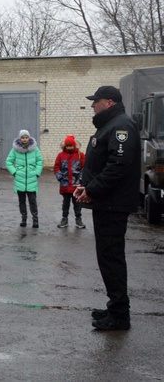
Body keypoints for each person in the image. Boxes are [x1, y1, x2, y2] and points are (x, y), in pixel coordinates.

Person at [74, 85, 140, 331]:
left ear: (109, 102)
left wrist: (92, 189)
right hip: (106, 201)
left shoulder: (120, 126)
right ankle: (116, 306)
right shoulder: (110, 125)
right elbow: (100, 163)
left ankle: (120, 315)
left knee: (111, 258)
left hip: (113, 203)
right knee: (108, 258)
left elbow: (118, 165)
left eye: (96, 101)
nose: (93, 105)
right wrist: (86, 185)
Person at [6, 129, 44, 228]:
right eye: (22, 137)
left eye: (26, 137)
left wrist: (37, 172)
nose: (24, 139)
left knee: (32, 201)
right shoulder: (15, 150)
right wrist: (15, 172)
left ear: (29, 138)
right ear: (20, 138)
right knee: (21, 201)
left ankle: (35, 220)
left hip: (32, 179)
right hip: (20, 179)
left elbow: (40, 161)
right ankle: (24, 218)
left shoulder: (35, 149)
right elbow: (9, 161)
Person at [54, 135, 86, 229]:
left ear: (74, 145)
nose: (69, 148)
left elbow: (84, 168)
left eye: (71, 146)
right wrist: (60, 177)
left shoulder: (80, 155)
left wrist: (81, 179)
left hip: (76, 185)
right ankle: (64, 219)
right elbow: (56, 167)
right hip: (65, 184)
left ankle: (78, 219)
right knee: (65, 203)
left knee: (77, 203)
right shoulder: (61, 155)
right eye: (67, 146)